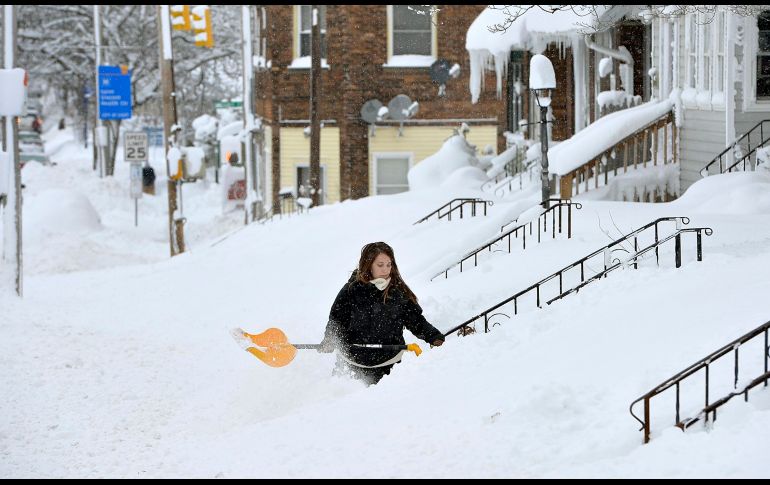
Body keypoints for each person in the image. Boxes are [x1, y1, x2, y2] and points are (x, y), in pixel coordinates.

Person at [318, 241, 445, 385]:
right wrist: (330, 339)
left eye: (389, 265)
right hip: (350, 365)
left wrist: (434, 337)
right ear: (368, 265)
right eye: (380, 265)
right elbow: (336, 321)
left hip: (389, 368)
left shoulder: (398, 293)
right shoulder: (351, 290)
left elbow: (416, 321)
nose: (385, 270)